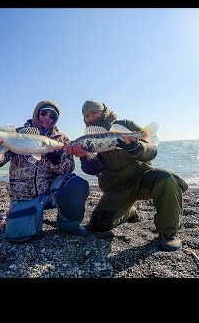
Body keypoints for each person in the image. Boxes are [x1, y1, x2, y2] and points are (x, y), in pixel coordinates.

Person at [64, 99, 188, 251]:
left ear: (104, 112)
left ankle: (169, 233)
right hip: (116, 188)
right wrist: (86, 156)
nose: (90, 118)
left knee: (167, 179)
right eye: (86, 116)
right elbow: (93, 170)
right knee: (98, 225)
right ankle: (129, 211)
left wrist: (136, 147)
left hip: (142, 179)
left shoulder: (126, 125)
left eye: (94, 112)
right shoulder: (88, 140)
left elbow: (152, 150)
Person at [0, 99, 90, 243]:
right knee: (18, 236)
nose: (47, 117)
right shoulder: (18, 134)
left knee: (76, 184)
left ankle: (68, 225)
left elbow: (68, 168)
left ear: (56, 119)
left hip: (50, 193)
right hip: (23, 195)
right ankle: (24, 217)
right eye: (44, 113)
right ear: (36, 113)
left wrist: (55, 159)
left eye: (52, 116)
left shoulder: (61, 139)